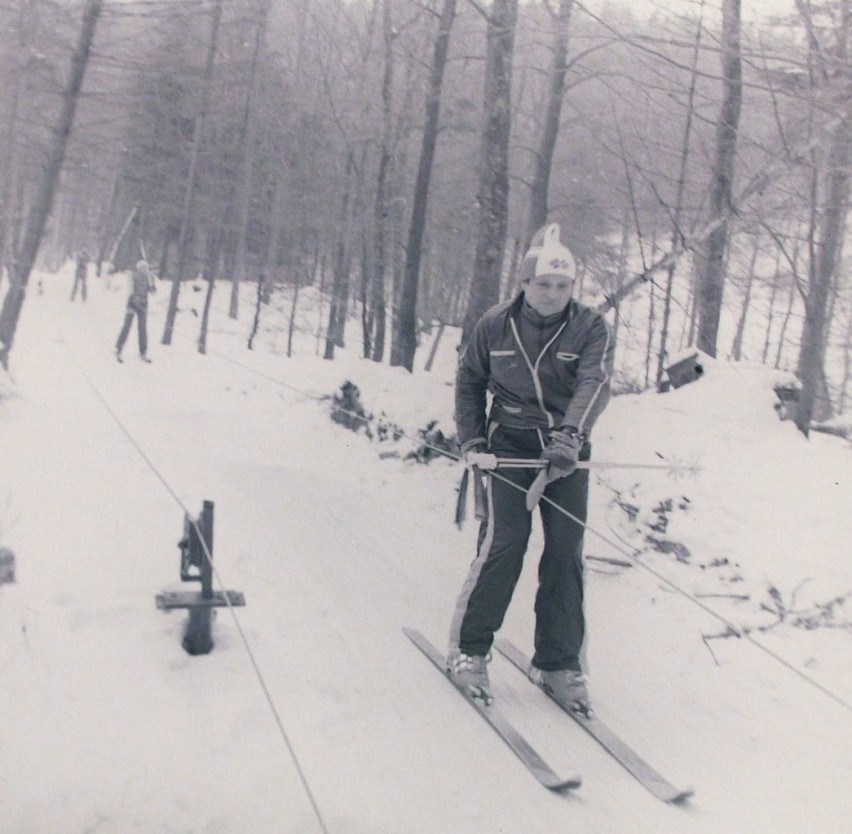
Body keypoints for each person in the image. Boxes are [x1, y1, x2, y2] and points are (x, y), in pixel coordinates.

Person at [447, 222, 614, 714]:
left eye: (562, 286)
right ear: (523, 284)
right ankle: (469, 652)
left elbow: (594, 383)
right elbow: (469, 381)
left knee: (565, 552)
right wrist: (473, 439)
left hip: (565, 453)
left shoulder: (589, 326)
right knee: (505, 544)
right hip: (507, 447)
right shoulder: (495, 324)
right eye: (543, 285)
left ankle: (558, 664)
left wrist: (570, 437)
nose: (552, 294)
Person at [115, 259, 155, 362]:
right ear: (139, 268)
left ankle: (143, 352)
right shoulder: (133, 276)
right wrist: (134, 298)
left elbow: (152, 292)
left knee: (142, 328)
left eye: (146, 268)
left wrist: (153, 284)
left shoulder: (148, 277)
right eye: (143, 268)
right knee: (127, 326)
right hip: (132, 304)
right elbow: (131, 290)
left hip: (143, 304)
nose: (145, 270)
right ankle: (118, 348)